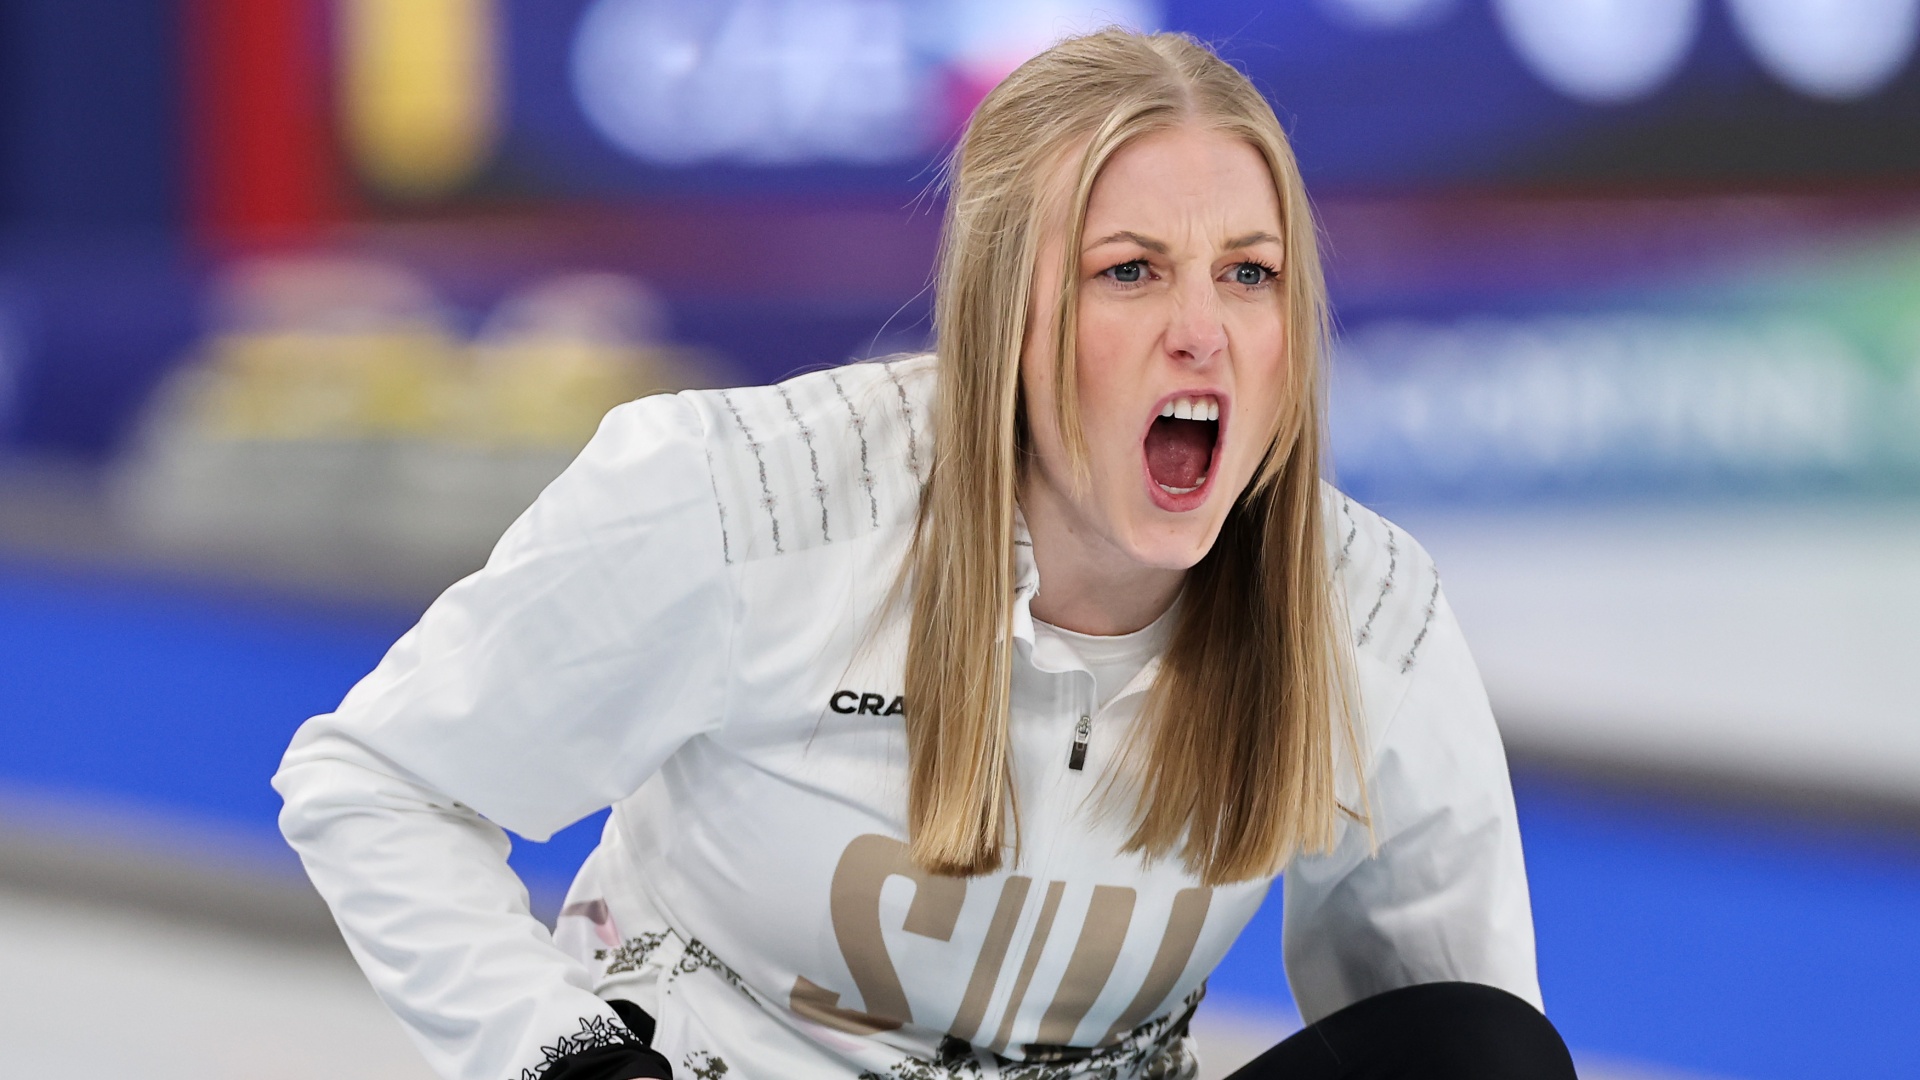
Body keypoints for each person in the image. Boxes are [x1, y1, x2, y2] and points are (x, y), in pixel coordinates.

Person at [275, 29, 1576, 1080]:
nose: (1204, 330)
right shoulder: (749, 500)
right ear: (1003, 309)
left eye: (1250, 274)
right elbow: (373, 783)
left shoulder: (1363, 613)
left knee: (1481, 1057)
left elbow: (1446, 1015)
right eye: (1131, 272)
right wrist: (564, 1062)